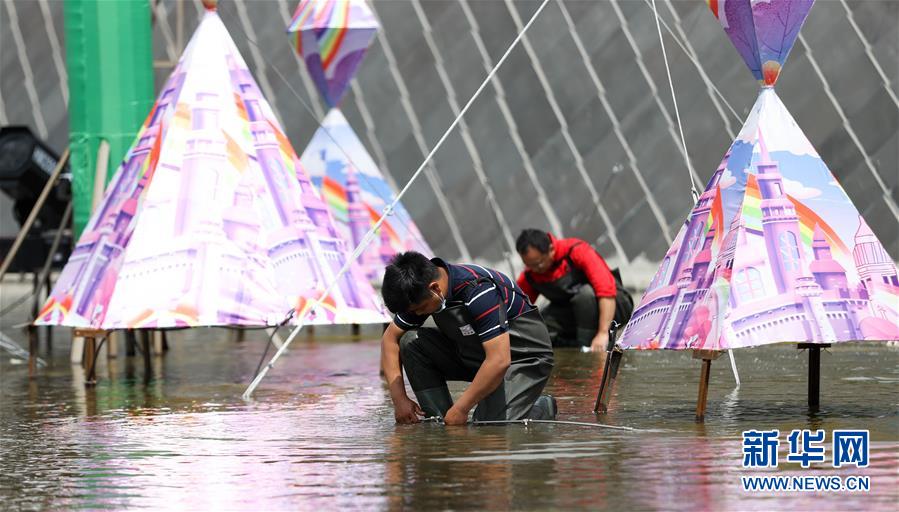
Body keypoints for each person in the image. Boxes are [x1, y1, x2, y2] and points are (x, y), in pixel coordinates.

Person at [380, 251, 557, 425]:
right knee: (411, 341)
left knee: (488, 426)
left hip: (522, 358)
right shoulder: (423, 292)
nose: (417, 315)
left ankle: (539, 407)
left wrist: (461, 409)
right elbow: (389, 339)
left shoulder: (479, 290)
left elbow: (500, 360)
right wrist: (399, 400)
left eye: (421, 308)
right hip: (477, 353)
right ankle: (439, 420)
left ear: (435, 288)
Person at [515, 229, 633, 351]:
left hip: (615, 306)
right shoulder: (530, 274)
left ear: (551, 250)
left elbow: (606, 291)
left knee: (585, 295)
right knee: (539, 327)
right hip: (575, 312)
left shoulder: (577, 251)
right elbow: (516, 308)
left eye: (539, 263)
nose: (535, 269)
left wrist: (602, 333)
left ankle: (587, 345)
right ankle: (572, 345)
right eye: (529, 265)